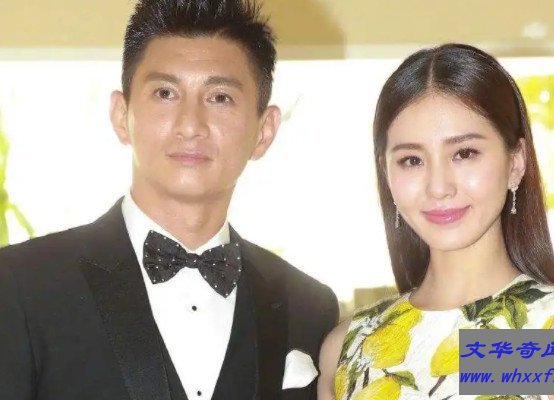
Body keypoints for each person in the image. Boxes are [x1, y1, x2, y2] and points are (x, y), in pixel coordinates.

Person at [0, 1, 339, 399]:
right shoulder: (20, 285)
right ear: (121, 115)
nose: (190, 126)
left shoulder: (309, 307)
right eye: (165, 93)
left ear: (264, 131)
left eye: (220, 98)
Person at [317, 43, 554, 400]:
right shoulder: (349, 348)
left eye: (465, 153)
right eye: (411, 160)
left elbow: (467, 368)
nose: (439, 187)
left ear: (516, 162)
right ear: (386, 173)